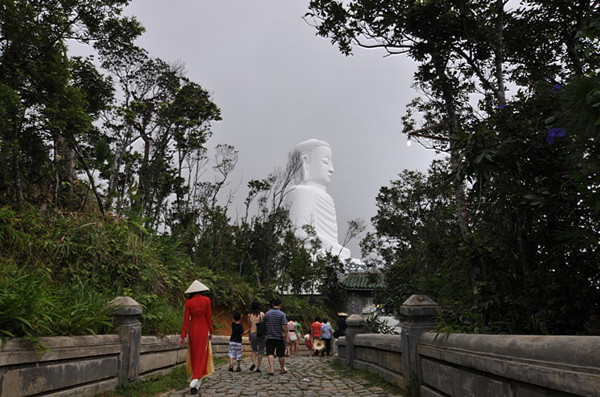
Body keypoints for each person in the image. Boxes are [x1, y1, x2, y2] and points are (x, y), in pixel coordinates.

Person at [285, 139, 351, 259]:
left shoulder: (328, 199)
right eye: (326, 161)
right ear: (305, 161)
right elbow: (300, 234)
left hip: (328, 255)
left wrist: (338, 251)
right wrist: (340, 251)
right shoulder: (300, 192)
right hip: (308, 257)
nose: (332, 169)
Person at [180, 280, 215, 395]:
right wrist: (211, 330)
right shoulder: (207, 300)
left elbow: (186, 321)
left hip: (193, 330)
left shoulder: (188, 303)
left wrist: (183, 335)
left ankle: (196, 382)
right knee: (202, 354)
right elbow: (208, 317)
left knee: (195, 355)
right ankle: (195, 378)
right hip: (204, 329)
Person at [264, 298, 288, 375]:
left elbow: (263, 323)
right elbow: (285, 326)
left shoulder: (267, 313)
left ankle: (271, 369)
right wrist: (285, 335)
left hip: (270, 336)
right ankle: (282, 369)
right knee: (281, 354)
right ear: (280, 305)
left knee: (270, 353)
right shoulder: (282, 314)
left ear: (272, 305)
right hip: (279, 337)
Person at [246, 301, 265, 372]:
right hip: (260, 334)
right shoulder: (262, 314)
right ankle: (258, 367)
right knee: (261, 350)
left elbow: (249, 326)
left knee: (254, 350)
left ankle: (253, 363)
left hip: (252, 333)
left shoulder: (249, 315)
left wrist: (249, 335)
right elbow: (264, 323)